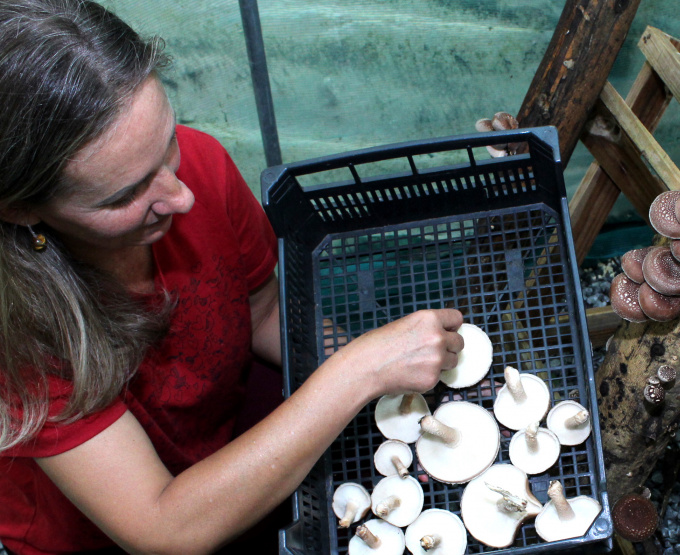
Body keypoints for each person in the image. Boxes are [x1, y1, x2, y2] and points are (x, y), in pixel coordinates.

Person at [0, 1, 464, 554]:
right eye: (125, 194)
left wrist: (380, 373)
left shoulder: (200, 166)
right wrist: (358, 370)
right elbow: (163, 530)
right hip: (106, 525)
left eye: (168, 141)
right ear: (23, 209)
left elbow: (262, 308)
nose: (181, 196)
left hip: (223, 423)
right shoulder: (17, 327)